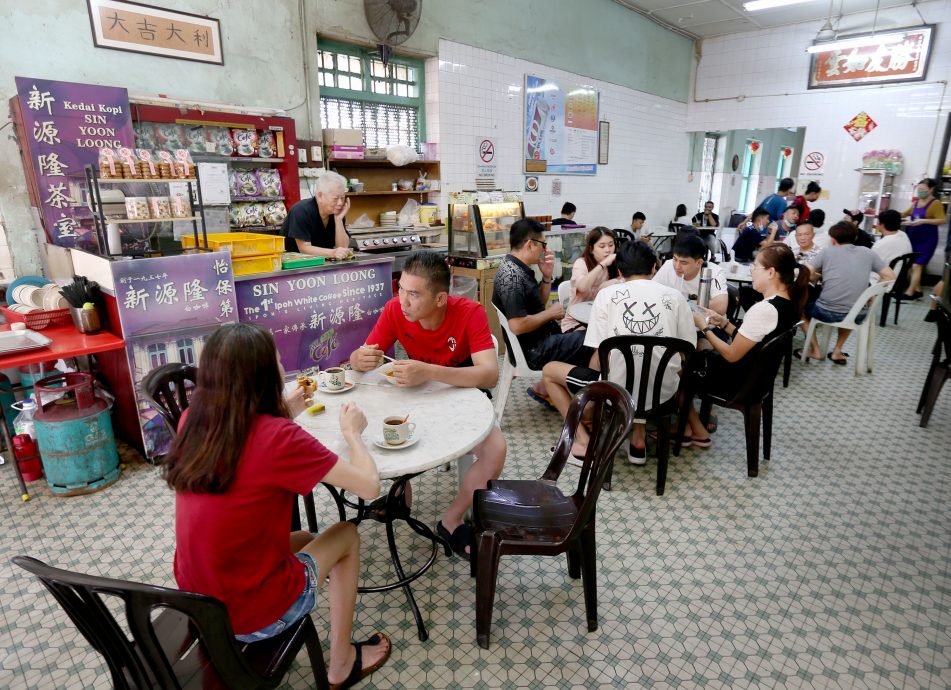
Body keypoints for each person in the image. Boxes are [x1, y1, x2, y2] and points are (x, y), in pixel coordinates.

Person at [165, 323, 391, 688]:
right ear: (265, 376)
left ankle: (320, 594)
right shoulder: (279, 438)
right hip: (250, 615)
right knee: (347, 535)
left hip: (201, 598)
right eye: (277, 361)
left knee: (304, 537)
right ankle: (341, 663)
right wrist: (352, 432)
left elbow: (244, 445)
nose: (283, 367)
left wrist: (286, 409)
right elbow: (368, 486)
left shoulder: (194, 420)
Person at [350, 253, 506, 560]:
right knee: (377, 424)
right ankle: (400, 497)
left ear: (440, 298)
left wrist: (429, 371)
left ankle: (451, 521)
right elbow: (366, 356)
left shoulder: (470, 312)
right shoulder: (395, 309)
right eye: (401, 290)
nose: (403, 301)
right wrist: (358, 359)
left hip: (461, 393)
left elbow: (489, 375)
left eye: (414, 294)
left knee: (496, 449)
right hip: (415, 395)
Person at [541, 240, 696, 464]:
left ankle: (582, 443)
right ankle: (638, 441)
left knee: (549, 371)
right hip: (664, 393)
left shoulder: (607, 296)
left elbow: (598, 352)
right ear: (654, 266)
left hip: (616, 393)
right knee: (647, 372)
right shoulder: (676, 298)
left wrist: (594, 395)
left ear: (620, 271)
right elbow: (686, 353)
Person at [688, 244, 811, 446]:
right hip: (757, 378)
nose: (751, 272)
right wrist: (723, 323)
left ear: (771, 272)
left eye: (755, 267)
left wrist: (704, 327)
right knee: (701, 351)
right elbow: (754, 339)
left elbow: (730, 355)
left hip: (738, 382)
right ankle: (690, 424)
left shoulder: (764, 309)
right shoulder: (788, 304)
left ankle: (690, 428)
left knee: (680, 365)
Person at [492, 218, 589, 405]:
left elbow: (538, 304)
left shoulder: (518, 268)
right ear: (530, 244)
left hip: (540, 340)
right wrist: (551, 314)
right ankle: (584, 404)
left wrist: (546, 277)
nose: (544, 250)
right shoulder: (512, 277)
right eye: (543, 245)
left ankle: (549, 388)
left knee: (584, 334)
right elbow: (517, 325)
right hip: (534, 351)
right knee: (593, 340)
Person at [799, 222, 896, 364]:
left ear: (833, 239)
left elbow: (805, 273)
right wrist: (870, 292)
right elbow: (890, 276)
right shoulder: (867, 252)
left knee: (800, 311)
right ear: (855, 237)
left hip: (825, 312)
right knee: (852, 307)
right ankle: (837, 351)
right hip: (858, 314)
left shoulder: (827, 252)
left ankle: (815, 350)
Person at [561, 227, 622, 332]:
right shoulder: (581, 263)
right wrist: (602, 264)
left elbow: (630, 281)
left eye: (611, 245)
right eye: (602, 246)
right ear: (591, 249)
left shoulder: (615, 264)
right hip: (577, 322)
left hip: (603, 319)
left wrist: (617, 281)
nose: (608, 250)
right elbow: (582, 287)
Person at [281, 171, 352, 259]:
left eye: (342, 198)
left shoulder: (336, 212)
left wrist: (338, 221)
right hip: (294, 265)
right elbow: (304, 248)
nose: (340, 203)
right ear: (319, 196)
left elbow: (343, 248)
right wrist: (333, 253)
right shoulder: (301, 210)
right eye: (335, 198)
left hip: (322, 263)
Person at [653, 234, 729, 316]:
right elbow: (651, 292)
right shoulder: (669, 265)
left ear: (699, 263)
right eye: (675, 259)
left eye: (684, 262)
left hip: (704, 325)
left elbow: (721, 307)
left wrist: (682, 302)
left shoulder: (714, 272)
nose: (677, 266)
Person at [901, 178, 947, 299]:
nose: (920, 191)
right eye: (919, 189)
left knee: (917, 265)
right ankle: (918, 291)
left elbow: (942, 220)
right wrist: (891, 215)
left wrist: (923, 221)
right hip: (914, 237)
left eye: (923, 189)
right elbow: (904, 214)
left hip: (927, 239)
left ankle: (909, 293)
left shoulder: (935, 203)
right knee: (912, 264)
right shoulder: (916, 202)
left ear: (931, 189)